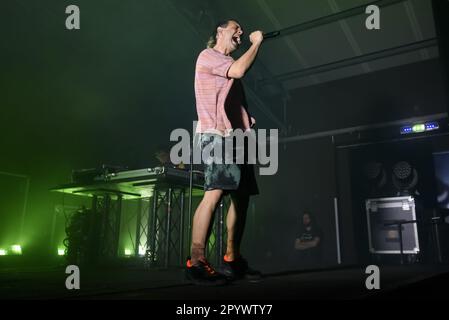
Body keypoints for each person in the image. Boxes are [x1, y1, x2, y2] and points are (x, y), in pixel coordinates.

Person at [185, 19, 263, 285]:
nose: (240, 32)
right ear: (219, 31)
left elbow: (235, 104)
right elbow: (239, 70)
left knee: (242, 200)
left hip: (237, 140)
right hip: (215, 136)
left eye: (242, 31)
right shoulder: (209, 56)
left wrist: (247, 122)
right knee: (215, 193)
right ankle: (196, 261)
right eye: (236, 28)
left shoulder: (228, 68)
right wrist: (257, 43)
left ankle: (232, 258)